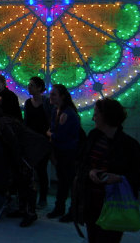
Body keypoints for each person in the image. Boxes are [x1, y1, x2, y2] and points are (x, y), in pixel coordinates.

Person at [74, 98, 140, 243]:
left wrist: (119, 178)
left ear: (106, 116)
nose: (93, 118)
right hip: (91, 205)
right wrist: (90, 172)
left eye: (96, 114)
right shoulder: (93, 136)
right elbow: (79, 162)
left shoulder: (129, 145)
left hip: (113, 207)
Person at [0, 101, 51, 227]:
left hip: (30, 149)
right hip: (23, 152)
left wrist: (19, 161)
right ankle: (22, 210)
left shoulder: (2, 122)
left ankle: (31, 213)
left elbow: (13, 142)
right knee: (21, 180)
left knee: (28, 181)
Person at [47, 84, 81, 223]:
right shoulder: (57, 111)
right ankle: (59, 208)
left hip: (69, 153)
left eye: (53, 95)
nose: (50, 97)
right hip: (61, 151)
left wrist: (49, 133)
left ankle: (72, 211)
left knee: (69, 181)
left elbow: (58, 136)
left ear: (62, 97)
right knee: (63, 181)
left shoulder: (66, 114)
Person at [23, 76, 53, 208]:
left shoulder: (47, 104)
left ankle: (43, 197)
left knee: (41, 170)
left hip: (43, 141)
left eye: (31, 85)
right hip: (31, 141)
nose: (29, 87)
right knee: (30, 171)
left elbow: (50, 122)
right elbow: (26, 123)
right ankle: (31, 196)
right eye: (28, 85)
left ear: (39, 88)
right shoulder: (28, 103)